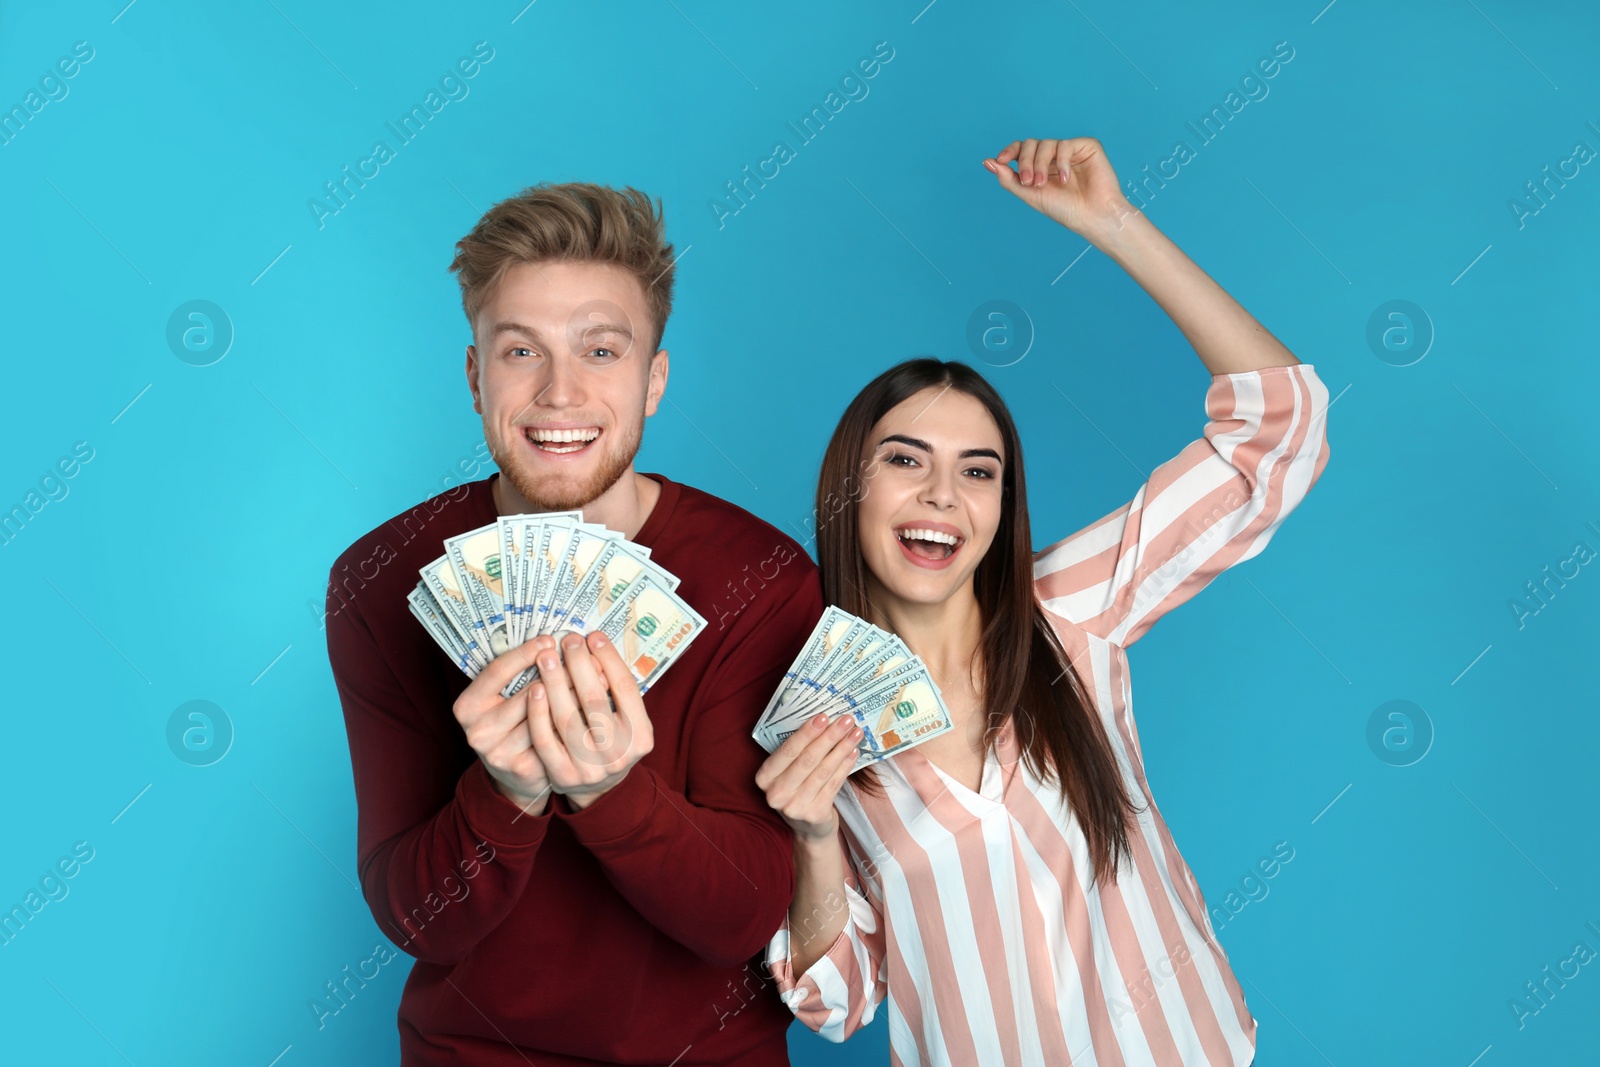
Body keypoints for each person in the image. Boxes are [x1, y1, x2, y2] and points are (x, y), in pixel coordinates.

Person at [755, 136, 1332, 1066]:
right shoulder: (806, 718)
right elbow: (835, 1000)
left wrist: (1116, 225)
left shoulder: (1070, 607)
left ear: (1000, 506)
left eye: (976, 471)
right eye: (906, 460)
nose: (943, 495)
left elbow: (1280, 434)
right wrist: (814, 833)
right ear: (848, 490)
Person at [325, 182, 823, 1066]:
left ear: (653, 380)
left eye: (601, 349)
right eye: (522, 351)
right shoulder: (383, 579)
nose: (561, 393)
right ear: (477, 375)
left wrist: (607, 792)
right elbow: (414, 918)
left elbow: (743, 916)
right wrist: (505, 793)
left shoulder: (763, 580)